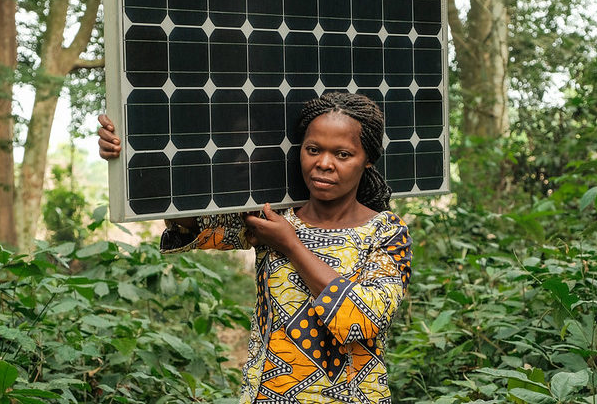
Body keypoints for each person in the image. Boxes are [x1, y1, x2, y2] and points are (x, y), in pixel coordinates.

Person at [98, 92, 412, 403]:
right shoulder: (270, 219)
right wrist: (133, 152)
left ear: (368, 159)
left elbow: (361, 321)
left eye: (343, 154)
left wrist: (290, 245)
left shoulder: (385, 232)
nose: (324, 163)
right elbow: (193, 222)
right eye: (313, 149)